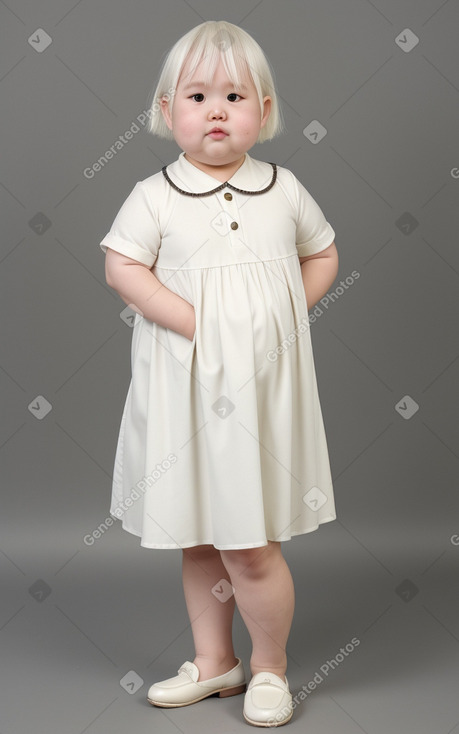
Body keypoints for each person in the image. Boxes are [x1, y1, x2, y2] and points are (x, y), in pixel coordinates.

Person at [100, 19, 339, 728]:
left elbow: (321, 254)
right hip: (185, 390)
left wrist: (281, 316)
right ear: (165, 109)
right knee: (200, 532)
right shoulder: (155, 195)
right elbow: (122, 267)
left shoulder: (283, 189)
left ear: (261, 112)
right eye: (196, 95)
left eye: (234, 96)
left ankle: (269, 666)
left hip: (258, 396)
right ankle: (216, 664)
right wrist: (191, 321)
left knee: (250, 541)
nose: (214, 111)